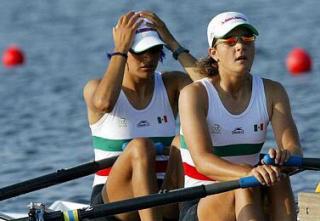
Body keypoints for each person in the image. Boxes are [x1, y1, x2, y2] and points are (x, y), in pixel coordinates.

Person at [178, 11, 303, 221]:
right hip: (200, 200)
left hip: (249, 184)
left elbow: (294, 148)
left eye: (247, 39)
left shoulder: (273, 91)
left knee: (279, 176)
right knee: (244, 182)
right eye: (230, 41)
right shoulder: (194, 94)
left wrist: (285, 157)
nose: (240, 46)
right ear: (214, 52)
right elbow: (203, 161)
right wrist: (246, 173)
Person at [83, 11, 200, 221]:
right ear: (125, 52)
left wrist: (171, 41)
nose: (148, 58)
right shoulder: (95, 88)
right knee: (140, 146)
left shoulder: (171, 84)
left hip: (163, 191)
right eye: (140, 51)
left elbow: (212, 91)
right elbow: (104, 103)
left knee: (180, 142)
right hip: (114, 204)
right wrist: (119, 49)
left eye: (154, 50)